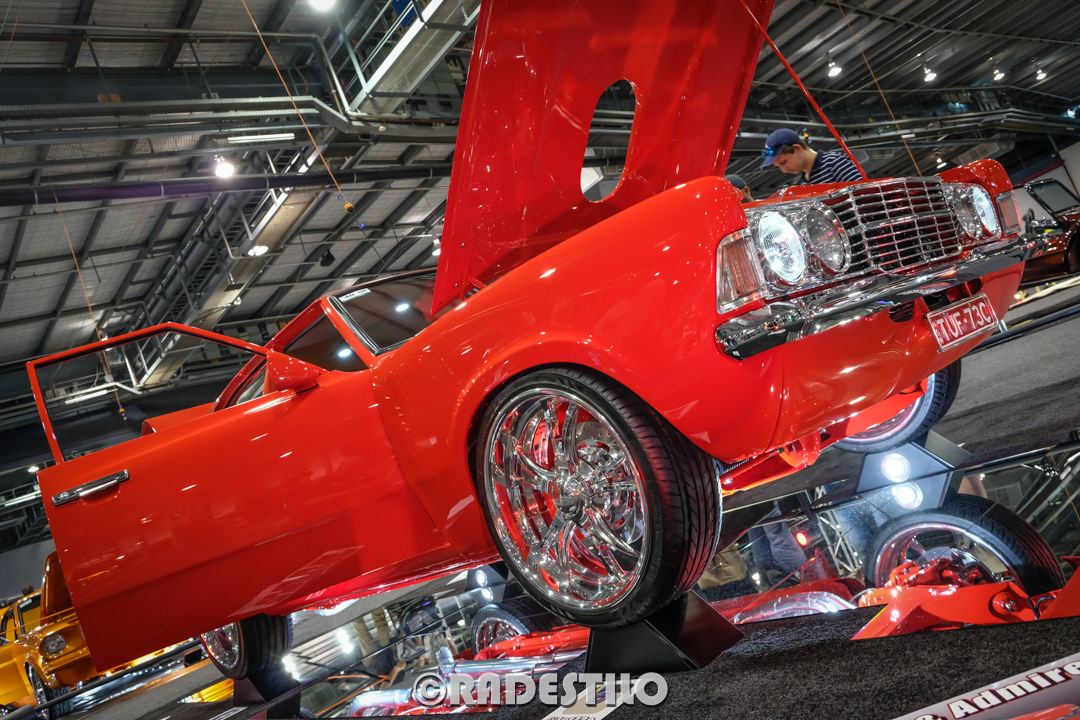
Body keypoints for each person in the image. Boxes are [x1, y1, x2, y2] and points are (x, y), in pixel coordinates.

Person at [760, 128, 862, 185]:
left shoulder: (833, 162)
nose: (783, 170)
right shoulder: (803, 184)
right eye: (779, 166)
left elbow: (864, 194)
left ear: (797, 148)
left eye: (784, 162)